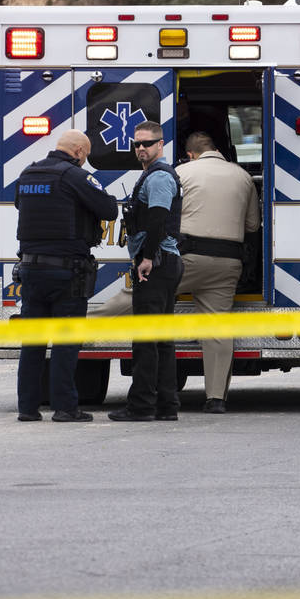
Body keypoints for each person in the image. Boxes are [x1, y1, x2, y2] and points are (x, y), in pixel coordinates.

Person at [14, 130, 118, 422]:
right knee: (65, 342)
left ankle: (27, 408)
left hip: (31, 270)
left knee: (32, 343)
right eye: (85, 155)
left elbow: (20, 206)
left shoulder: (28, 174)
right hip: (66, 271)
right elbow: (109, 209)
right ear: (80, 151)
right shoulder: (74, 176)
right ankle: (64, 407)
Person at [175, 131, 261, 413]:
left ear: (190, 154)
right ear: (216, 149)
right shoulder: (242, 176)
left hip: (188, 259)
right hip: (228, 262)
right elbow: (251, 227)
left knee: (139, 293)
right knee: (218, 327)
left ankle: (89, 321)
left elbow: (170, 216)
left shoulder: (181, 173)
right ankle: (216, 399)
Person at [108, 120, 184, 422]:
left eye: (147, 143)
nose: (141, 148)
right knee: (161, 340)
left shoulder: (159, 178)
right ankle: (166, 406)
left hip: (158, 263)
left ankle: (141, 406)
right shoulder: (153, 175)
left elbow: (157, 219)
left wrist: (148, 258)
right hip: (164, 262)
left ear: (160, 144)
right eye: (137, 144)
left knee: (146, 340)